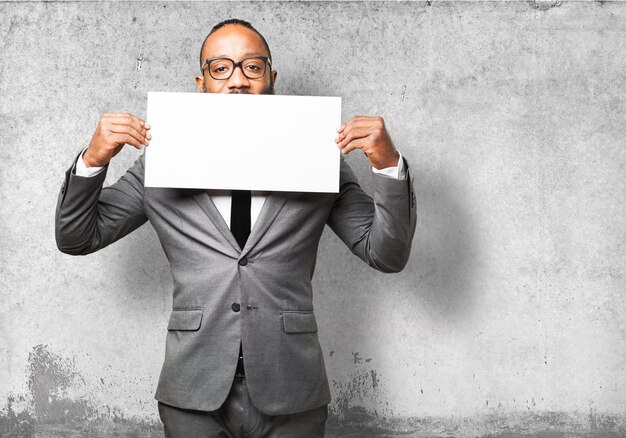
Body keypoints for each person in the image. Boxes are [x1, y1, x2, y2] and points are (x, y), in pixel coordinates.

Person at [55, 18, 417, 438]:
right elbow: (77, 237)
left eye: (252, 67)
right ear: (201, 82)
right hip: (193, 390)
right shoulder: (159, 162)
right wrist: (94, 159)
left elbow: (385, 254)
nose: (238, 81)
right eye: (221, 68)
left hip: (292, 389)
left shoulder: (320, 159)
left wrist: (387, 165)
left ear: (271, 77)